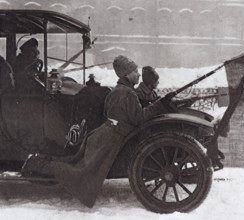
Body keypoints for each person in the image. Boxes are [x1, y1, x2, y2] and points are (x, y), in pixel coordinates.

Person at [22, 55, 172, 208]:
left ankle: (41, 161)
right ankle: (38, 164)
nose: (138, 74)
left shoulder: (121, 90)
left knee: (75, 164)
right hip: (108, 140)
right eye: (135, 71)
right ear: (126, 74)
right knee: (80, 173)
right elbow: (139, 118)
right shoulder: (126, 93)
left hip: (105, 135)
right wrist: (161, 104)